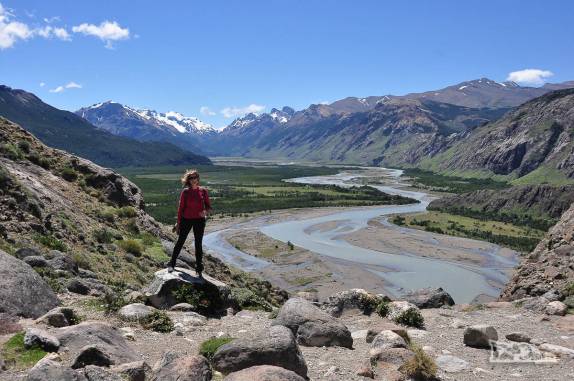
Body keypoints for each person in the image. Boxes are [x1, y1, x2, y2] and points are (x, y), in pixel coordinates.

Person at [168, 169, 211, 276]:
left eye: (195, 177)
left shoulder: (203, 191)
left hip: (199, 221)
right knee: (180, 241)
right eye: (191, 178)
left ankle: (199, 268)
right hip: (186, 219)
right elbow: (180, 209)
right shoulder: (185, 192)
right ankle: (171, 263)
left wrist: (205, 212)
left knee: (198, 244)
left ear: (198, 178)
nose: (193, 179)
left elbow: (209, 207)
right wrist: (178, 223)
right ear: (188, 180)